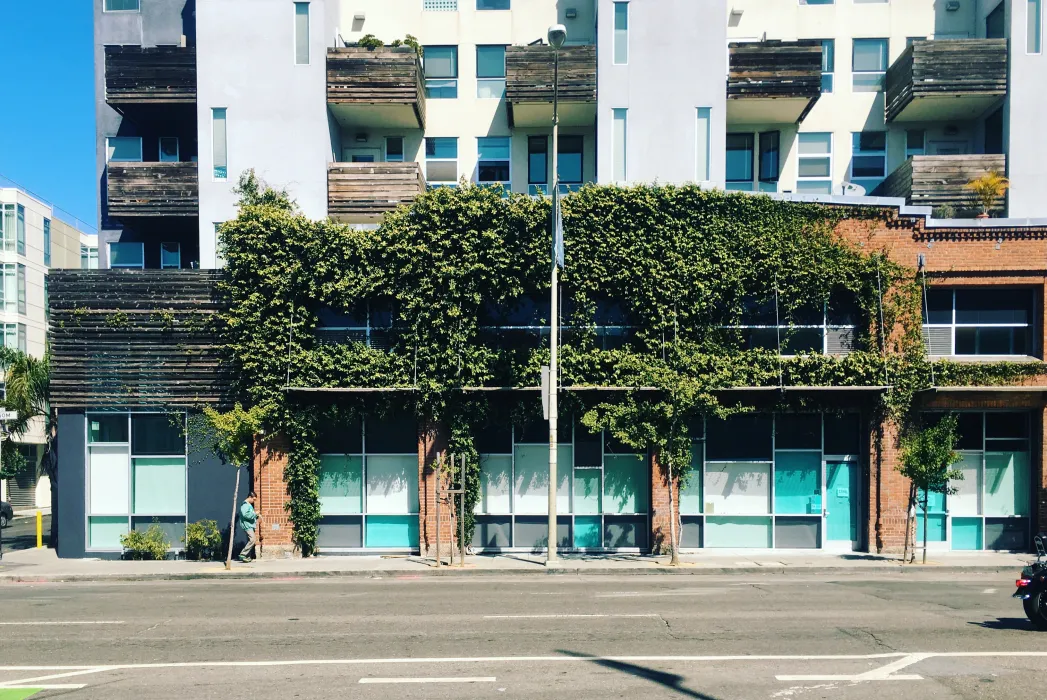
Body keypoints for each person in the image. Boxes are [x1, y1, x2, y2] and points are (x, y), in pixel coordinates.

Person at [238, 491, 260, 562]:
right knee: (253, 539)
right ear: (250, 497)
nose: (254, 501)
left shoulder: (248, 505)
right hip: (247, 526)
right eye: (253, 499)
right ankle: (243, 554)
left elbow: (249, 515)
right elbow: (245, 515)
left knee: (251, 540)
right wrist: (255, 514)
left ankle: (246, 556)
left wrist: (256, 516)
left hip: (250, 525)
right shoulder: (245, 505)